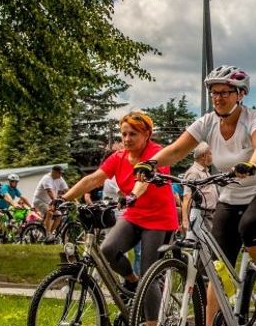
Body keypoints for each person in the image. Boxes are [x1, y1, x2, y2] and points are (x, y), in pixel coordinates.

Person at [136, 66, 256, 326]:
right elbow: (177, 150)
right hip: (231, 195)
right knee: (217, 266)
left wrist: (252, 165)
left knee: (251, 226)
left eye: (224, 92)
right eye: (214, 92)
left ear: (240, 94)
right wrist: (151, 164)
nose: (217, 98)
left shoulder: (254, 119)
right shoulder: (207, 122)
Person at [63, 109, 177, 308]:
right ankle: (132, 282)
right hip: (134, 215)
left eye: (133, 134)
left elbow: (144, 180)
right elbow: (93, 179)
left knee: (148, 275)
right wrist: (63, 198)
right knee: (108, 249)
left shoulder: (156, 154)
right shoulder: (119, 157)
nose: (127, 138)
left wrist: (132, 195)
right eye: (123, 134)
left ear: (146, 134)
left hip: (159, 219)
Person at [180, 142, 218, 233]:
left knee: (210, 243)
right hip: (202, 214)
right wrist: (185, 220)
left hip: (209, 214)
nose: (212, 156)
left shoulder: (205, 171)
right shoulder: (193, 172)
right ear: (203, 156)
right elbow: (187, 197)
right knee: (207, 244)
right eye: (210, 153)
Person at [33, 165, 69, 237]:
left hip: (50, 202)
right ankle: (47, 234)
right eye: (59, 173)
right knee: (49, 213)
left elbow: (67, 190)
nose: (61, 175)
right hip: (39, 201)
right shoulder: (46, 178)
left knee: (59, 216)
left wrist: (75, 200)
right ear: (54, 172)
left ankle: (50, 235)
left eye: (61, 173)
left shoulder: (60, 179)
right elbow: (49, 191)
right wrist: (55, 200)